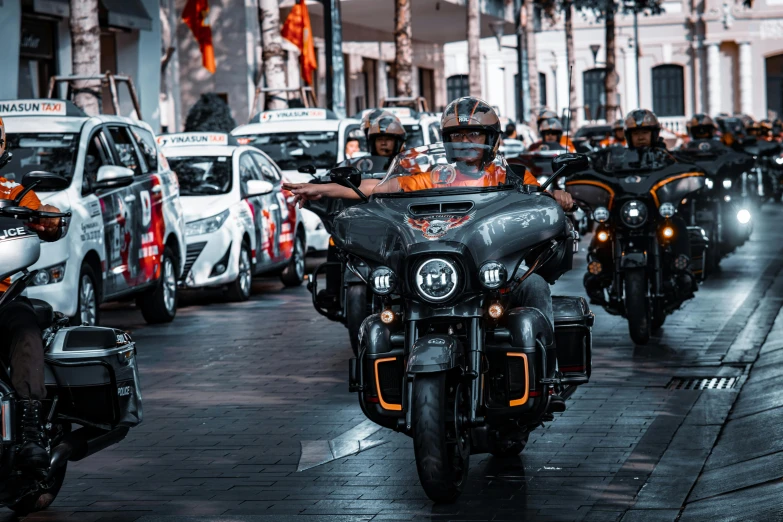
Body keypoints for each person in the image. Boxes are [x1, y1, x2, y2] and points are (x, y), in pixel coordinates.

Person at [0, 116, 63, 470]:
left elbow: (49, 220)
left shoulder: (12, 193)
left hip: (4, 296)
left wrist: (47, 217)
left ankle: (30, 431)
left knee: (25, 330)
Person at [284, 110, 407, 207]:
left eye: (389, 139)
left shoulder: (410, 166)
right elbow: (374, 187)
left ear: (398, 142)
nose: (384, 143)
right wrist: (317, 187)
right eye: (380, 139)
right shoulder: (359, 163)